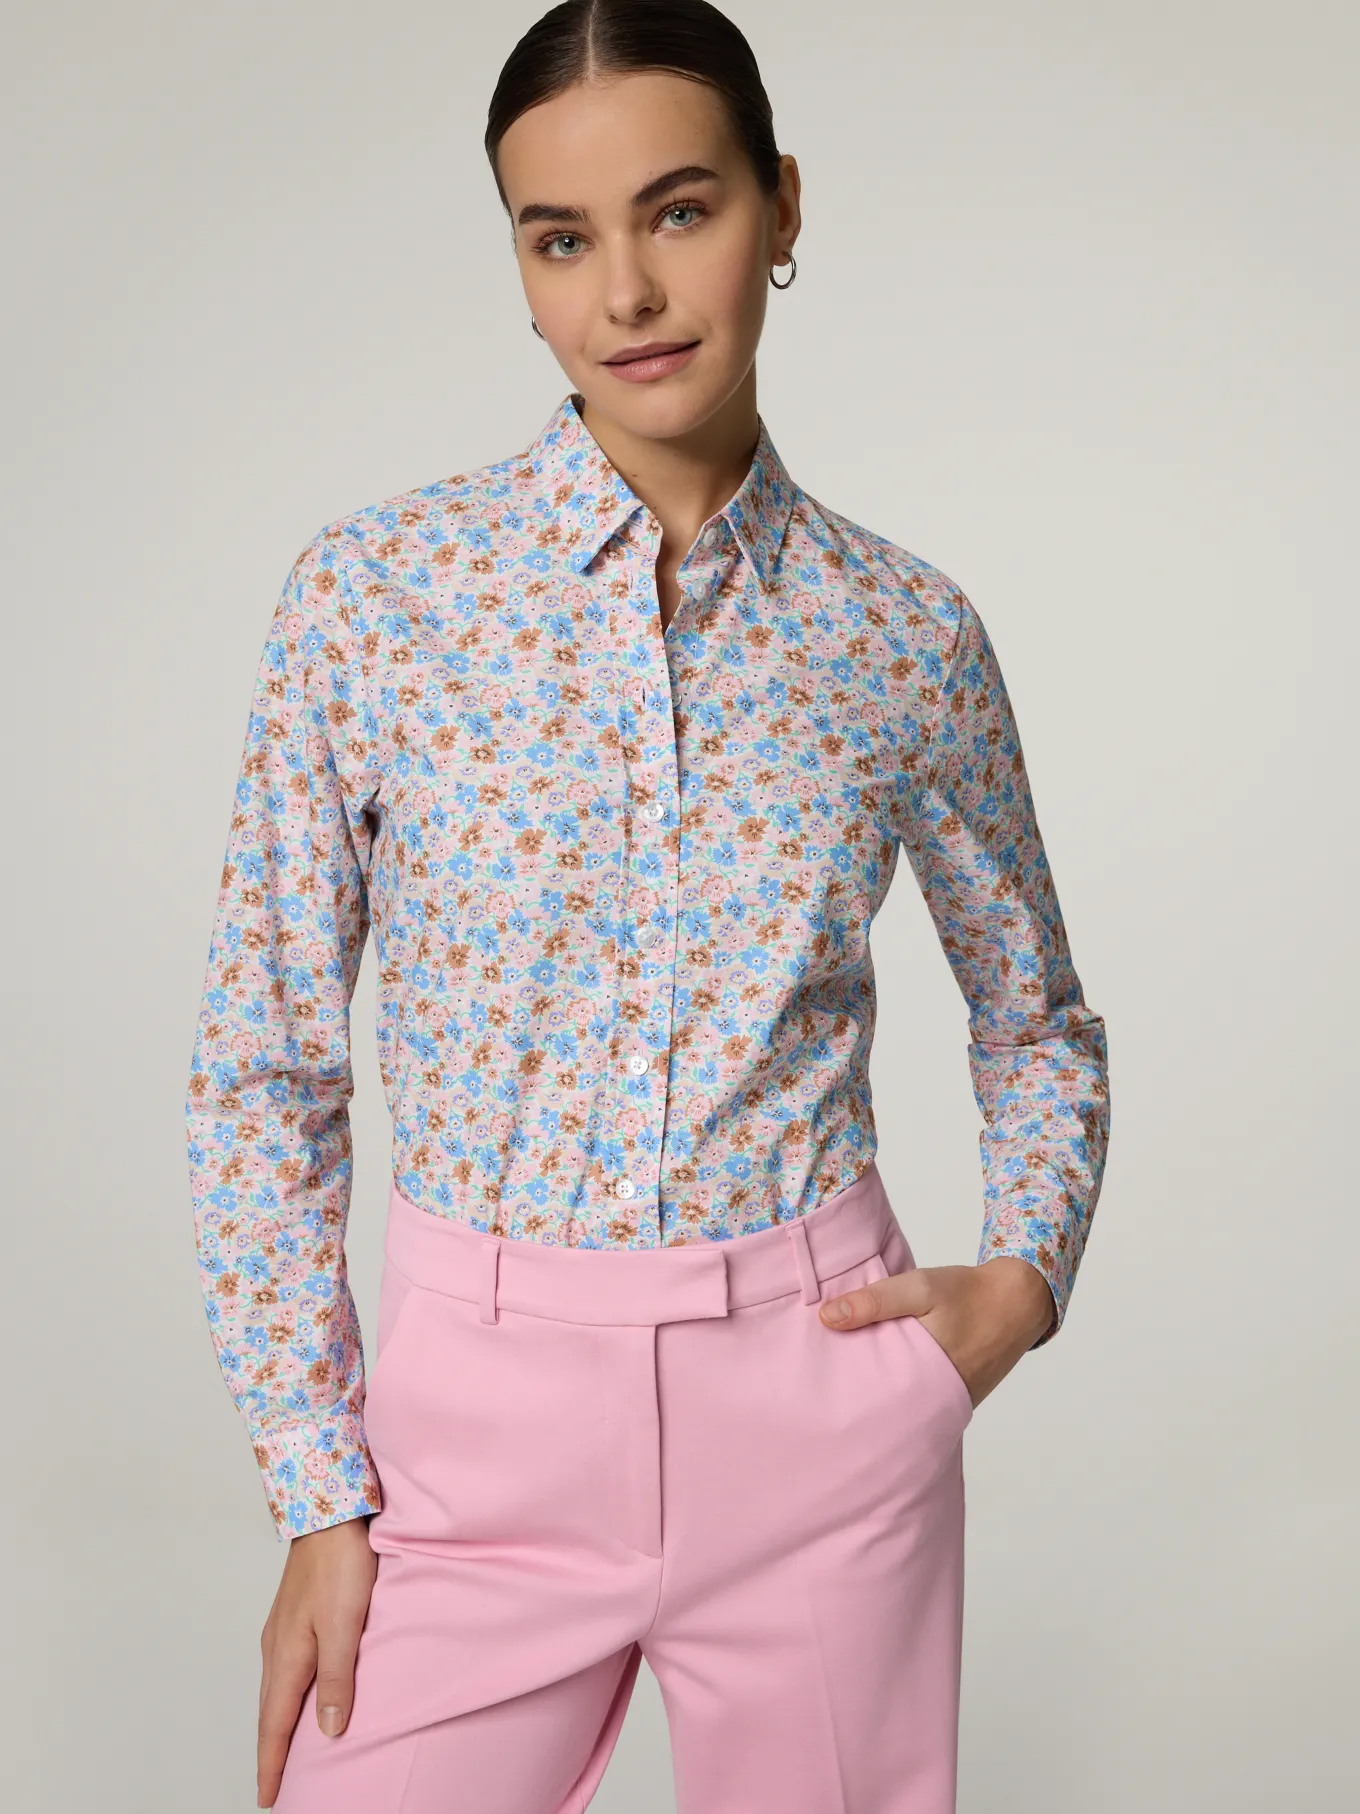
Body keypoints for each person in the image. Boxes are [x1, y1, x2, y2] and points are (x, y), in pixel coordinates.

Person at [185, 2, 1110, 1808]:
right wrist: (316, 1485)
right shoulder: (376, 601)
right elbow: (265, 1067)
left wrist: (1019, 1288)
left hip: (823, 1417)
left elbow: (1037, 1020)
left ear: (781, 206)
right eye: (561, 239)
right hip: (468, 1441)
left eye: (680, 211)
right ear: (522, 269)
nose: (626, 291)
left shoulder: (902, 632)